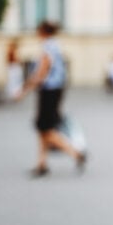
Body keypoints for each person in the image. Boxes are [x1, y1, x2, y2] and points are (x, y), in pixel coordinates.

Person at [15, 20, 86, 177]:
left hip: (49, 91)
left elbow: (41, 73)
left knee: (46, 128)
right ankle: (42, 163)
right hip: (55, 90)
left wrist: (24, 90)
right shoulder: (55, 45)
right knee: (43, 129)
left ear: (42, 32)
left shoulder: (47, 47)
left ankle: (76, 153)